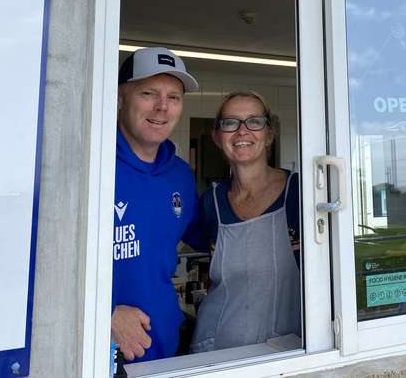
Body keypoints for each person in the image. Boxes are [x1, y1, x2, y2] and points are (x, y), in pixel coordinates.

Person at [191, 91, 301, 353]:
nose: (242, 131)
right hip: (216, 347)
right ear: (218, 137)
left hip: (284, 350)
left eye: (254, 121)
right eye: (230, 123)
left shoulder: (300, 192)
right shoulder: (211, 201)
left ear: (269, 134)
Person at [112, 47, 201, 362]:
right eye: (148, 93)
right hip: (103, 353)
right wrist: (103, 312)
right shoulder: (90, 167)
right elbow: (28, 266)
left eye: (174, 97)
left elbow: (210, 236)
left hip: (165, 348)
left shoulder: (179, 175)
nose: (162, 107)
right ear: (120, 98)